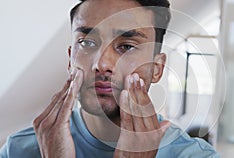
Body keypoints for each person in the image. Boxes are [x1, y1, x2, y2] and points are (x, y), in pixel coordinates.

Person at [0, 0, 220, 157]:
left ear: (157, 68)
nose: (101, 64)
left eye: (126, 46)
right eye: (87, 42)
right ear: (70, 59)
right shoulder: (18, 150)